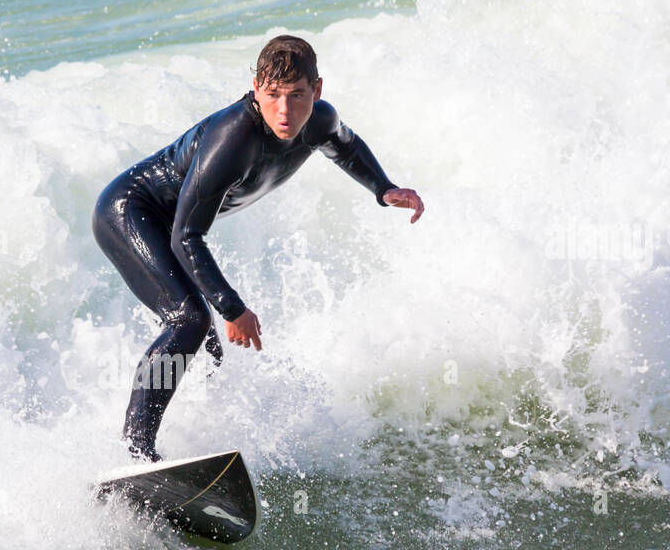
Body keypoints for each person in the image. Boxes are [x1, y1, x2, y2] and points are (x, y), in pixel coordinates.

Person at [91, 34, 424, 463]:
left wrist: (384, 189)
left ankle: (194, 440)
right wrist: (233, 309)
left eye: (297, 95)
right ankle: (136, 453)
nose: (284, 111)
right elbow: (187, 237)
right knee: (189, 320)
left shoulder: (320, 120)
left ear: (317, 90)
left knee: (205, 345)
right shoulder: (232, 141)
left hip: (174, 224)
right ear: (255, 88)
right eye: (272, 95)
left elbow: (346, 147)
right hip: (130, 211)